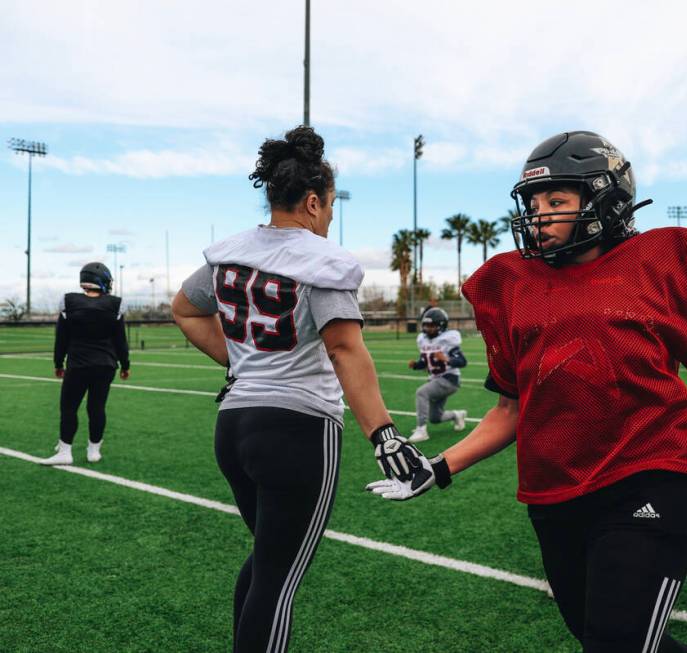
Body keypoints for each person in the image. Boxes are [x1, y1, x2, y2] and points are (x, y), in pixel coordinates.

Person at [367, 131, 687, 653]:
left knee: (616, 640)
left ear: (605, 200)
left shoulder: (660, 261)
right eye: (534, 202)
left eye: (556, 201)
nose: (539, 214)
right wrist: (438, 466)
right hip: (555, 487)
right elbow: (510, 409)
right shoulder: (512, 283)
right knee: (595, 630)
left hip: (648, 471)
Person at [172, 125, 428, 653]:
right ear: (312, 202)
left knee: (267, 562)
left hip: (234, 427)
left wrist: (240, 361)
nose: (330, 216)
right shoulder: (320, 259)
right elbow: (344, 349)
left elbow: (184, 308)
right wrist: (384, 435)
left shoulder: (231, 252)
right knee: (278, 580)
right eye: (330, 206)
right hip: (297, 430)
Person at [42, 262, 131, 466]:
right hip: (106, 365)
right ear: (103, 281)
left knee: (69, 407)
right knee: (97, 407)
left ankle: (65, 451)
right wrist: (125, 365)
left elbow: (61, 338)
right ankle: (93, 450)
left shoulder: (69, 301)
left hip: (78, 364)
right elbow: (120, 340)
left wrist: (58, 362)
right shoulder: (115, 304)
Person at [406, 306, 468, 443]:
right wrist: (416, 365)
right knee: (435, 417)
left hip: (449, 380)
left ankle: (421, 430)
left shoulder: (448, 340)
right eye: (426, 325)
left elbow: (462, 361)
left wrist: (447, 359)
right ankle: (457, 415)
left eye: (432, 325)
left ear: (441, 326)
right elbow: (425, 362)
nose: (429, 328)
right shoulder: (424, 340)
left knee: (421, 393)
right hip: (435, 380)